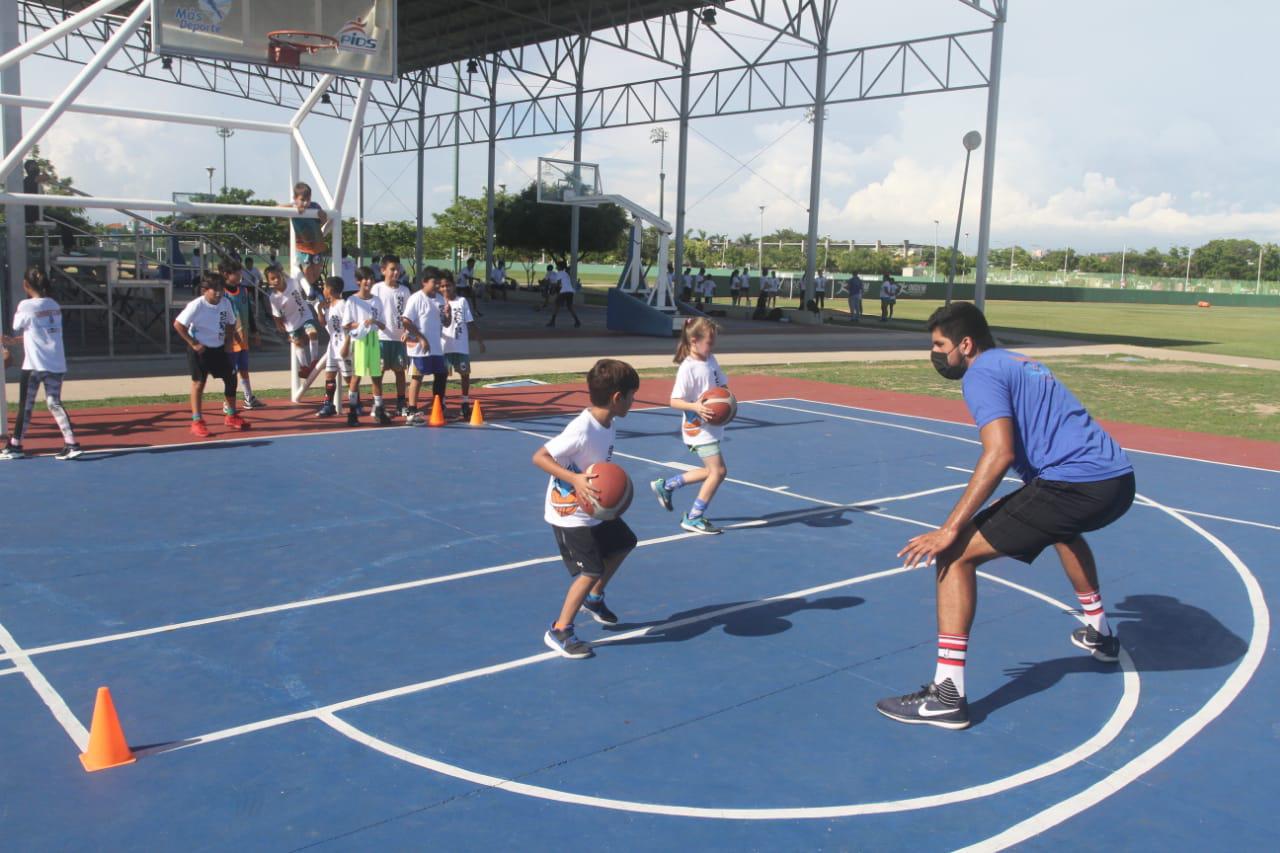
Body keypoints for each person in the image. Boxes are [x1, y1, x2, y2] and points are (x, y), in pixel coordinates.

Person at [877, 302, 1136, 730]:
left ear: (965, 343)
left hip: (1074, 484)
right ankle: (1101, 633)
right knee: (1062, 531)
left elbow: (999, 453)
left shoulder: (981, 374)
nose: (936, 354)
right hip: (1116, 480)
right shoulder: (1019, 361)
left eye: (940, 345)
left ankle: (946, 696)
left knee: (955, 555)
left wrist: (949, 528)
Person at [532, 358, 641, 658]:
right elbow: (540, 457)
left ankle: (594, 598)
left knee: (625, 542)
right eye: (632, 396)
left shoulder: (608, 423)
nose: (634, 401)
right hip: (569, 515)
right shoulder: (582, 429)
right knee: (590, 569)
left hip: (592, 508)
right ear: (618, 397)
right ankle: (560, 630)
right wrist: (575, 479)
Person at [650, 317, 729, 535]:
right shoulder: (688, 368)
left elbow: (722, 385)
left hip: (711, 426)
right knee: (719, 472)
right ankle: (694, 517)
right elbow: (674, 400)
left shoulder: (711, 359)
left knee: (709, 471)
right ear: (694, 341)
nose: (712, 347)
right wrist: (695, 406)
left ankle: (666, 486)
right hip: (698, 429)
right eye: (709, 342)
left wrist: (727, 401)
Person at [0, 268, 84, 460]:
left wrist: (13, 337)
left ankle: (15, 445)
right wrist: (18, 341)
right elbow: (42, 332)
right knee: (54, 403)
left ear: (25, 285)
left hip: (34, 365)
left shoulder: (25, 306)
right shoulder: (54, 305)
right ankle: (71, 443)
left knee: (26, 406)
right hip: (55, 363)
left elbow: (16, 325)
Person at [172, 273, 250, 438]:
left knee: (231, 379)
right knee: (199, 383)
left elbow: (230, 324)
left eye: (220, 289)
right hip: (200, 350)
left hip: (219, 349)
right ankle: (197, 421)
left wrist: (229, 344)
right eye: (214, 289)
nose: (218, 293)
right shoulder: (196, 305)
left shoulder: (225, 303)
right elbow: (178, 325)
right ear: (205, 290)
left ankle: (231, 415)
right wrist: (193, 343)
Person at [401, 266, 451, 425]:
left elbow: (446, 322)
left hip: (436, 346)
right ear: (424, 282)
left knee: (441, 374)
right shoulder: (416, 298)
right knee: (417, 377)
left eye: (439, 283)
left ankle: (438, 406)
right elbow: (406, 321)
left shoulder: (441, 299)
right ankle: (411, 411)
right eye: (434, 282)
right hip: (419, 347)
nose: (437, 286)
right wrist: (421, 338)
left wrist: (448, 316)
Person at [219, 258, 265, 410]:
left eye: (240, 271)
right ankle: (227, 401)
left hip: (243, 338)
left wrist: (254, 331)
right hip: (229, 340)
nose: (240, 274)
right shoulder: (221, 294)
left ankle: (248, 397)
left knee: (244, 369)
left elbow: (249, 313)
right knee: (230, 373)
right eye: (237, 272)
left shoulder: (243, 290)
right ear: (226, 274)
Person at [341, 266, 385, 427]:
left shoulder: (377, 300)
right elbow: (346, 325)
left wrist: (374, 322)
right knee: (356, 376)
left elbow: (383, 325)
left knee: (376, 376)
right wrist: (360, 324)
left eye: (371, 278)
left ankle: (379, 409)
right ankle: (353, 410)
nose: (368, 281)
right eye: (365, 278)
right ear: (358, 281)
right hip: (359, 341)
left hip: (373, 340)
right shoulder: (352, 300)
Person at [370, 254, 411, 422]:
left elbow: (409, 314)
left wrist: (407, 331)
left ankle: (401, 402)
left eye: (397, 269)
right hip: (380, 338)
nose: (395, 272)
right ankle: (378, 403)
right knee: (378, 372)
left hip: (398, 338)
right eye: (392, 269)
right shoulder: (377, 289)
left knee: (400, 371)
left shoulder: (404, 290)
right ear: (383, 271)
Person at [264, 262, 321, 380]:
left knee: (312, 332)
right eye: (272, 279)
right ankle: (304, 367)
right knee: (297, 343)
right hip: (291, 323)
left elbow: (300, 274)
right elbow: (276, 315)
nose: (276, 280)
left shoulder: (292, 282)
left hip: (305, 315)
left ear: (281, 275)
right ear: (269, 282)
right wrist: (280, 326)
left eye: (277, 277)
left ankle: (314, 360)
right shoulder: (274, 298)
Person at [443, 271, 485, 421]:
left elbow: (470, 322)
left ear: (454, 286)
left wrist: (479, 340)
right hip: (444, 346)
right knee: (442, 377)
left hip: (460, 346)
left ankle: (465, 402)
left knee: (465, 375)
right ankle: (441, 403)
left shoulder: (462, 301)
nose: (445, 289)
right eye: (442, 286)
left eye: (448, 285)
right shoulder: (438, 302)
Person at [315, 276, 351, 418]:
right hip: (332, 345)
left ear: (330, 289)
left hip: (343, 345)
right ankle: (328, 404)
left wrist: (347, 345)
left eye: (324, 287)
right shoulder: (328, 305)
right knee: (329, 375)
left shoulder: (343, 304)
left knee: (349, 378)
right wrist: (319, 309)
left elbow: (349, 326)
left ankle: (356, 403)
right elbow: (323, 323)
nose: (323, 290)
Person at [289, 181, 329, 277]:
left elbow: (323, 220)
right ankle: (303, 285)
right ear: (295, 199)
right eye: (302, 200)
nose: (306, 203)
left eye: (308, 199)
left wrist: (322, 215)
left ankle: (307, 287)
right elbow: (278, 208)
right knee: (308, 272)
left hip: (317, 246)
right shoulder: (293, 207)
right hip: (304, 247)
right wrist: (294, 206)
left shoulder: (315, 206)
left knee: (317, 272)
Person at [546, 260, 581, 328]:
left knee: (556, 305)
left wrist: (552, 290)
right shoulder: (565, 273)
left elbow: (557, 284)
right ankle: (577, 321)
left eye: (557, 266)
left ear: (559, 267)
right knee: (570, 307)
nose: (556, 267)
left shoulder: (560, 273)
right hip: (570, 292)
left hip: (564, 292)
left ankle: (552, 322)